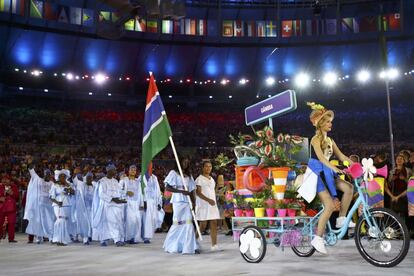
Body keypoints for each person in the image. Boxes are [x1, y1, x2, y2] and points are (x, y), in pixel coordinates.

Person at [299, 102, 355, 255]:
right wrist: (336, 168)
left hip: (328, 172)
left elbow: (342, 156)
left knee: (349, 188)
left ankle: (342, 218)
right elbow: (322, 159)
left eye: (331, 121)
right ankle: (317, 238)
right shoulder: (315, 139)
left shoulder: (330, 141)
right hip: (316, 174)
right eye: (328, 121)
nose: (331, 124)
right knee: (329, 206)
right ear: (321, 123)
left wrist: (355, 165)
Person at [163, 158, 200, 254]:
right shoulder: (173, 173)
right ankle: (172, 245)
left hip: (187, 201)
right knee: (178, 223)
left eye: (187, 162)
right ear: (179, 162)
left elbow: (192, 191)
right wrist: (181, 191)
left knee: (189, 223)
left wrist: (194, 203)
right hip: (178, 200)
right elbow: (167, 187)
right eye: (184, 162)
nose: (186, 164)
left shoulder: (189, 175)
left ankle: (189, 247)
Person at [92, 164, 126, 246]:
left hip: (116, 205)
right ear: (108, 171)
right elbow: (101, 194)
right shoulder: (102, 181)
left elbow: (119, 192)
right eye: (114, 170)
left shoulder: (115, 181)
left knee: (116, 222)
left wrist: (121, 199)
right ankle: (115, 240)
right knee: (109, 222)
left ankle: (106, 239)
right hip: (107, 205)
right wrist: (113, 199)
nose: (115, 171)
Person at [24, 159, 55, 244]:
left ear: (51, 175)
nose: (47, 175)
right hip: (39, 206)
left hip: (49, 206)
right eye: (46, 174)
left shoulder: (52, 184)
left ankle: (51, 237)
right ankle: (39, 237)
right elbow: (31, 170)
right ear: (44, 174)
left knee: (49, 221)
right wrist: (31, 163)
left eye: (49, 174)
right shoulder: (38, 180)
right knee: (38, 221)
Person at [195, 161, 221, 251]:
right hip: (203, 204)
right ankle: (193, 241)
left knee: (214, 223)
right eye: (206, 166)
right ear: (202, 167)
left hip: (212, 204)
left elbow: (211, 191)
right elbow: (198, 193)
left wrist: (217, 194)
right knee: (203, 225)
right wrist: (208, 200)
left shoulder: (212, 179)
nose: (208, 168)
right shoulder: (199, 179)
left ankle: (214, 245)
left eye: (210, 166)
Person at [386, 154, 413, 234]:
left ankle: (406, 232)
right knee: (394, 214)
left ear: (404, 161)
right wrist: (392, 180)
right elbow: (388, 185)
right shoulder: (392, 171)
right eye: (397, 159)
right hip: (394, 194)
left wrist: (404, 179)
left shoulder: (409, 171)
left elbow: (411, 183)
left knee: (406, 214)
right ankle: (395, 232)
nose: (399, 160)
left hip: (405, 194)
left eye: (401, 159)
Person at [49, 170, 75, 246]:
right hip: (58, 205)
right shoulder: (55, 185)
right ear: (58, 177)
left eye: (64, 176)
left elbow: (74, 193)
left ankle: (59, 239)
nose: (63, 177)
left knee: (65, 222)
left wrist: (69, 190)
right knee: (60, 220)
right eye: (61, 176)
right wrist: (57, 202)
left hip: (67, 205)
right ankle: (60, 240)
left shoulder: (69, 184)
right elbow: (51, 197)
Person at [139, 162, 163, 243]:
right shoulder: (141, 178)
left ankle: (147, 236)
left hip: (153, 202)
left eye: (151, 167)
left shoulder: (154, 178)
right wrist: (143, 202)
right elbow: (139, 191)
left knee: (152, 220)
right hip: (146, 202)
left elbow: (158, 190)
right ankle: (146, 237)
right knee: (145, 220)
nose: (150, 168)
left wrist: (159, 202)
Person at [121, 165, 144, 244]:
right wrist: (126, 192)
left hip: (136, 204)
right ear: (128, 171)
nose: (133, 171)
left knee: (137, 221)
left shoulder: (138, 181)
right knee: (129, 221)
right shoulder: (124, 180)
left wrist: (141, 203)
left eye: (135, 170)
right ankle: (128, 238)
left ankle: (135, 238)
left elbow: (140, 193)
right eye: (131, 169)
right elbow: (118, 189)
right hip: (128, 203)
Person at [73, 172, 96, 245]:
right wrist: (77, 175)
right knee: (85, 223)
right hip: (83, 208)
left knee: (90, 223)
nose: (89, 179)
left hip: (92, 208)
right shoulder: (82, 185)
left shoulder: (94, 185)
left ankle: (89, 236)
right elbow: (76, 181)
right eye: (88, 177)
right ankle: (85, 238)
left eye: (91, 177)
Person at [0, 176, 19, 243]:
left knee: (11, 223)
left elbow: (17, 196)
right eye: (3, 179)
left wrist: (12, 193)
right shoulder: (0, 187)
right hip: (1, 207)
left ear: (10, 180)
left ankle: (11, 238)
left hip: (11, 208)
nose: (5, 180)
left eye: (6, 179)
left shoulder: (14, 187)